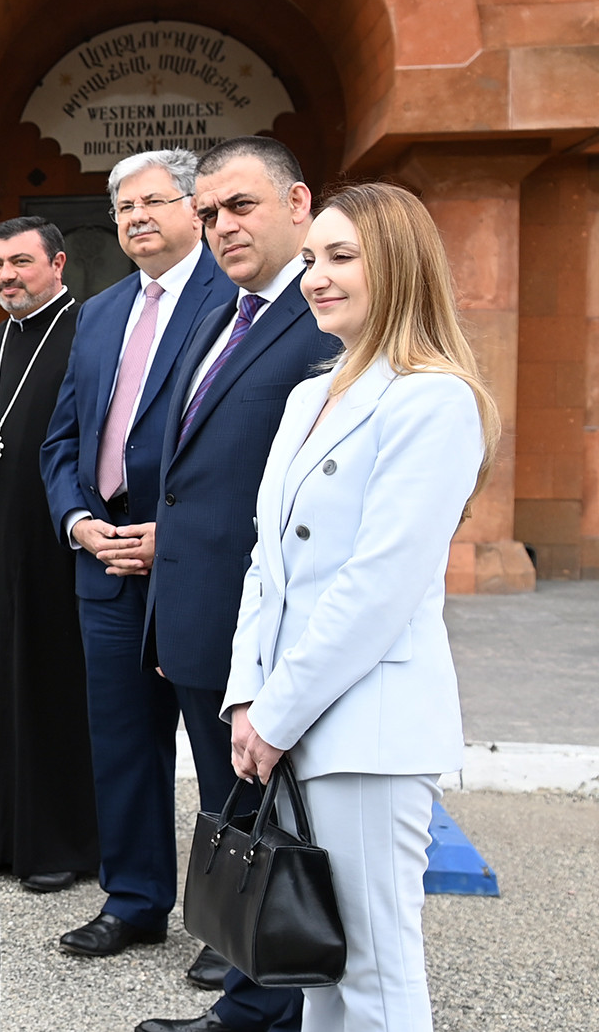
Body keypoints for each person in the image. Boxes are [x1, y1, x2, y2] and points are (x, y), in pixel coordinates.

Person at [226, 182, 492, 1032]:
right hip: (289, 714)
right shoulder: (312, 393)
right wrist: (245, 695)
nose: (317, 277)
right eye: (312, 257)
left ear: (400, 268)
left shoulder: (433, 399)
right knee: (315, 970)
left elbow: (380, 584)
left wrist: (278, 710)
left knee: (376, 967)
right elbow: (267, 555)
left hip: (367, 725)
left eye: (342, 258)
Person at [134, 136, 338, 1032]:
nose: (221, 226)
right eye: (209, 211)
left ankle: (265, 1010)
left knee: (279, 830)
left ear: (299, 203)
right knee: (235, 820)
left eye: (241, 205)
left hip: (273, 634)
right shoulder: (226, 313)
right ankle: (255, 1002)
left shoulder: (328, 318)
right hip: (198, 617)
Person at [41, 149, 234, 961]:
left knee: (219, 752)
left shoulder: (238, 301)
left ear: (196, 208)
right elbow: (63, 439)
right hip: (107, 561)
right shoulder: (101, 310)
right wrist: (79, 521)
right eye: (122, 208)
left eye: (154, 201)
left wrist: (173, 534)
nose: (135, 218)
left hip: (190, 563)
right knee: (122, 741)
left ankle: (229, 925)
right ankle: (135, 898)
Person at [0, 216, 98, 893]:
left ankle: (60, 841)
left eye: (20, 262)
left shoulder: (89, 338)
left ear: (58, 263)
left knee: (51, 694)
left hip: (55, 553)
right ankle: (0, 834)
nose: (6, 276)